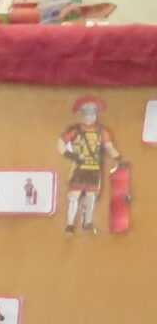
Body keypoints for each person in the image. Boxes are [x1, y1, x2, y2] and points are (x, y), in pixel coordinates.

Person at [60, 96, 123, 234]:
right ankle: (70, 225)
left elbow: (109, 146)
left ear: (95, 115)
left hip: (94, 169)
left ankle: (87, 223)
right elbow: (60, 144)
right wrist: (74, 156)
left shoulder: (102, 131)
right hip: (80, 168)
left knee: (91, 197)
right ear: (82, 116)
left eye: (91, 114)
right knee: (74, 196)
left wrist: (118, 158)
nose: (88, 117)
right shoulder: (75, 130)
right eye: (85, 114)